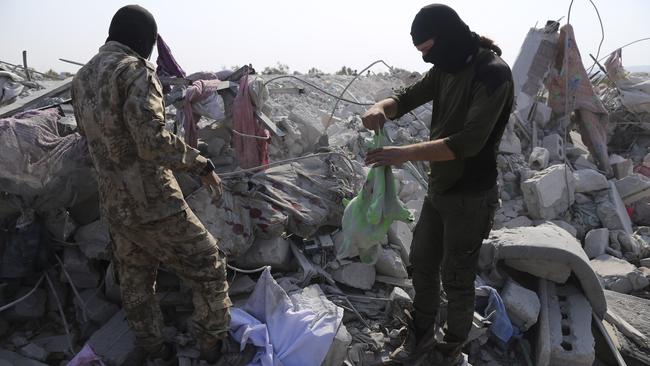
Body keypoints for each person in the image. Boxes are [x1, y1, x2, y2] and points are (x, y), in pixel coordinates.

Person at [71, 5, 231, 364]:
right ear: (143, 40)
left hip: (114, 203)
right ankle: (211, 348)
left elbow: (88, 137)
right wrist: (200, 163)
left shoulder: (82, 78)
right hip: (154, 201)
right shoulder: (134, 71)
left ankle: (152, 351)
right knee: (209, 264)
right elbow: (152, 142)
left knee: (136, 282)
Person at [362, 4, 514, 365]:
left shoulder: (492, 74)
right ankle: (419, 336)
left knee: (458, 278)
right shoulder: (446, 67)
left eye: (428, 49)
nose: (428, 59)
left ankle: (449, 351)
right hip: (440, 191)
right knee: (422, 264)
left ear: (446, 38)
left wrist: (403, 154)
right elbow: (405, 98)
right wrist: (380, 107)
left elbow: (467, 144)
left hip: (471, 197)